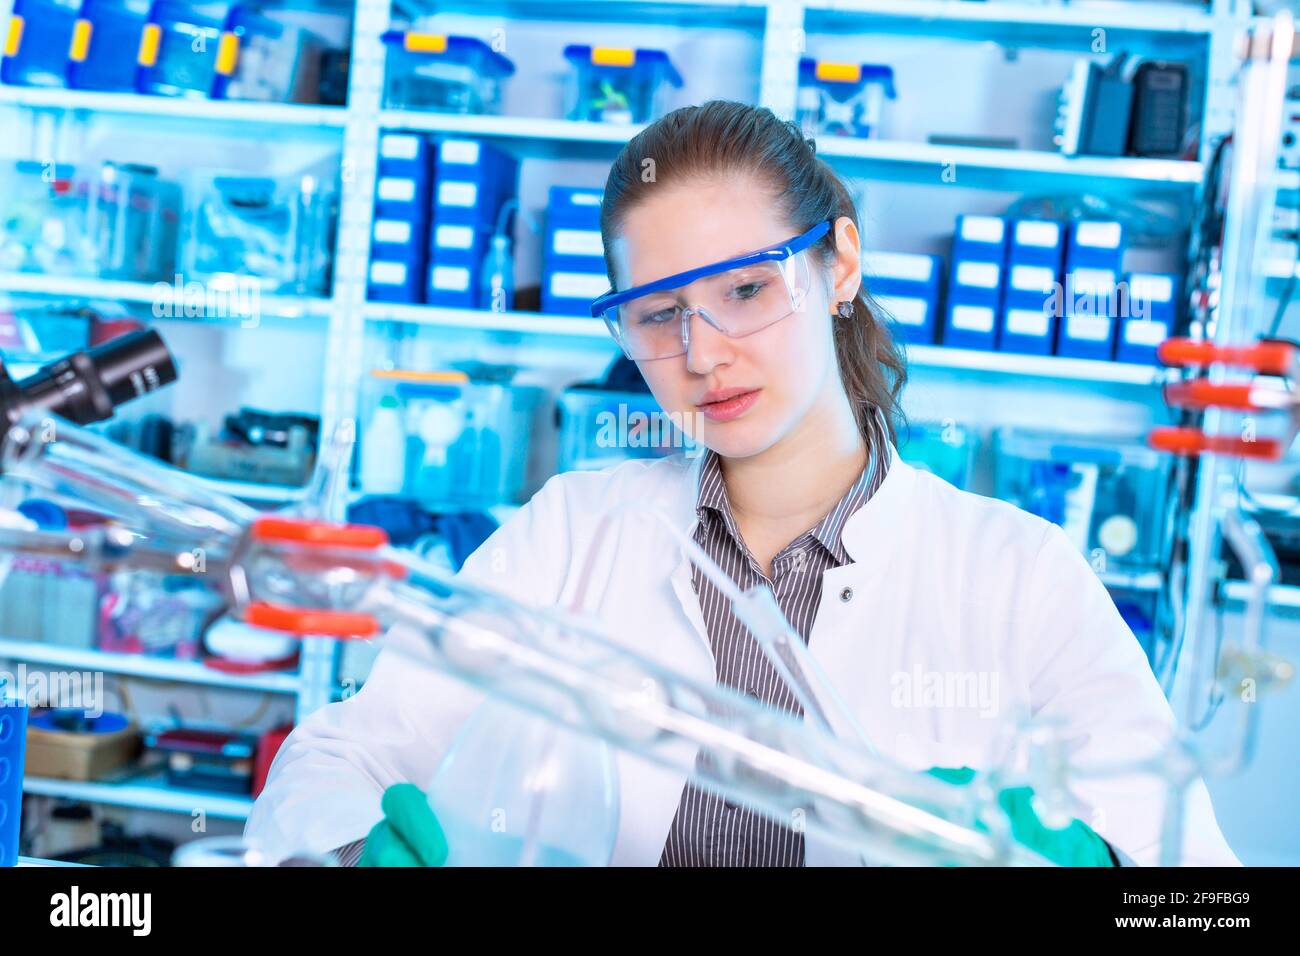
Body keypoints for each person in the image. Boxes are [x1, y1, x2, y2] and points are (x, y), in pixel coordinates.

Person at [245, 100, 1239, 867]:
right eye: (655, 310)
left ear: (837, 263)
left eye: (746, 290)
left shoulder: (1016, 573)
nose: (701, 352)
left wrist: (1085, 859)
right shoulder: (571, 532)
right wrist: (344, 847)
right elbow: (345, 753)